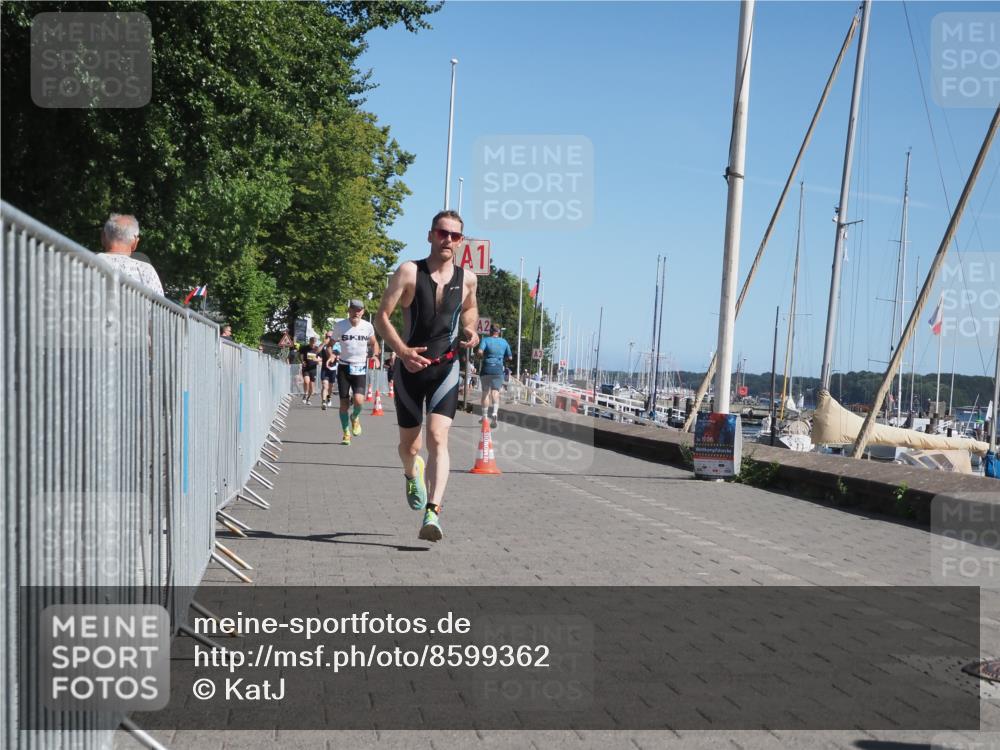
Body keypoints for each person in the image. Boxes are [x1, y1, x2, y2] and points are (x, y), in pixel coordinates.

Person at [375, 210, 479, 542]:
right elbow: (381, 318)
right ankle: (411, 471)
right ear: (430, 235)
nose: (448, 239)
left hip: (446, 368)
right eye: (442, 233)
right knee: (411, 445)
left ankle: (433, 511)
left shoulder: (468, 279)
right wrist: (402, 351)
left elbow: (471, 309)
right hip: (408, 370)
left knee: (438, 438)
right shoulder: (409, 271)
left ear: (461, 241)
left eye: (455, 235)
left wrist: (471, 330)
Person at [332, 300, 380, 444]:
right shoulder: (340, 326)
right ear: (349, 310)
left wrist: (375, 356)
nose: (356, 312)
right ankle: (346, 433)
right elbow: (332, 343)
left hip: (360, 367)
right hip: (344, 367)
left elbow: (374, 343)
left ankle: (355, 417)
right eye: (354, 309)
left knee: (359, 401)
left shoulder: (367, 326)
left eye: (359, 310)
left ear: (363, 312)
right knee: (344, 404)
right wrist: (332, 354)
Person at [97, 214, 164, 295]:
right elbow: (159, 306)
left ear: (103, 237)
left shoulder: (85, 263)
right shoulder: (146, 270)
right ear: (135, 241)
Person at [477, 323, 512, 428]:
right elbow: (510, 357)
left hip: (487, 368)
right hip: (498, 369)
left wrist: (481, 356)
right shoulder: (504, 342)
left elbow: (479, 351)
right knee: (495, 392)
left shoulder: (486, 340)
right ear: (499, 332)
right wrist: (502, 358)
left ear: (490, 332)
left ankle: (484, 417)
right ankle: (494, 413)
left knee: (485, 392)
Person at [319, 332, 341, 411]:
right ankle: (323, 402)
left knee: (330, 387)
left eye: (330, 337)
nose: (328, 338)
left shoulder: (337, 346)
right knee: (325, 386)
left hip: (333, 369)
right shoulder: (323, 345)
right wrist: (322, 344)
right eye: (327, 336)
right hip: (324, 369)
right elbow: (316, 352)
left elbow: (336, 355)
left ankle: (329, 397)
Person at [299, 336, 320, 404]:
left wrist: (317, 360)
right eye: (311, 343)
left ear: (315, 342)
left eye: (314, 343)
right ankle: (305, 394)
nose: (312, 344)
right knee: (306, 381)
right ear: (309, 342)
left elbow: (321, 358)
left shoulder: (317, 349)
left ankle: (309, 398)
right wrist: (302, 361)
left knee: (311, 386)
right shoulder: (305, 348)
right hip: (306, 368)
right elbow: (301, 355)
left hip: (313, 368)